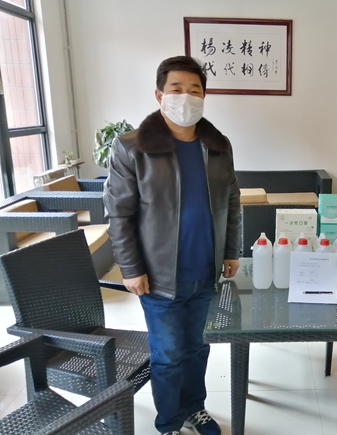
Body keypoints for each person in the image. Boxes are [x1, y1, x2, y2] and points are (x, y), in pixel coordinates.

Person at [103, 56, 241, 435]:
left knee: (197, 349)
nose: (186, 97)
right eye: (176, 89)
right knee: (167, 355)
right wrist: (131, 268)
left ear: (204, 96)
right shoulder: (132, 147)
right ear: (159, 94)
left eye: (194, 90)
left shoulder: (218, 146)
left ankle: (195, 408)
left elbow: (231, 202)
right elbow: (119, 214)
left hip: (205, 271)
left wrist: (231, 251)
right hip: (159, 276)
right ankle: (169, 423)